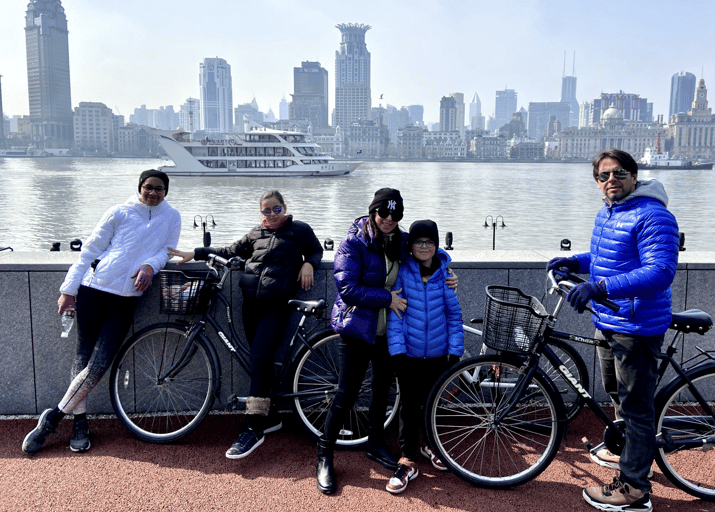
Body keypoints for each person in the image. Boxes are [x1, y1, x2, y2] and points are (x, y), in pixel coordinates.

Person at [547, 149, 678, 512]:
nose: (611, 181)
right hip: (610, 320)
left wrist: (600, 288)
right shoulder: (610, 213)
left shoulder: (653, 215)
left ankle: (635, 490)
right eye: (603, 176)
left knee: (636, 409)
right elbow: (607, 258)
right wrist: (575, 261)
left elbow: (660, 271)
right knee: (618, 395)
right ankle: (626, 450)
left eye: (619, 173)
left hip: (635, 325)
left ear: (635, 177)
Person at [22, 169, 182, 455]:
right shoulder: (119, 211)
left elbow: (166, 252)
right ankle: (79, 423)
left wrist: (149, 266)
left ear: (166, 191)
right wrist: (68, 290)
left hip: (127, 297)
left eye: (159, 188)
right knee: (83, 357)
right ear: (139, 187)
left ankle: (53, 419)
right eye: (148, 187)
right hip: (94, 291)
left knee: (99, 364)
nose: (153, 193)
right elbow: (89, 251)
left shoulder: (172, 217)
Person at [316, 188, 457, 495]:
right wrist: (387, 299)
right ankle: (324, 454)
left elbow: (428, 252)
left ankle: (375, 442)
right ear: (373, 212)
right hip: (357, 328)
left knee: (382, 390)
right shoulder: (353, 243)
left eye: (396, 214)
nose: (390, 219)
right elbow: (347, 289)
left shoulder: (401, 241)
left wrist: (448, 271)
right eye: (384, 213)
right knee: (347, 393)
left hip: (386, 334)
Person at [169, 190, 323, 460]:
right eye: (267, 210)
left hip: (276, 305)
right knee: (257, 361)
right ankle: (271, 416)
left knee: (261, 358)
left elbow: (315, 249)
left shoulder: (299, 229)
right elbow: (229, 250)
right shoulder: (255, 234)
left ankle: (253, 428)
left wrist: (309, 263)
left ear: (285, 208)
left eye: (277, 209)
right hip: (250, 305)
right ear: (260, 212)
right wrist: (196, 252)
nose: (272, 215)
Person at [385, 220, 464, 494]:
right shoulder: (403, 274)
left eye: (429, 242)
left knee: (433, 405)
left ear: (436, 245)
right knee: (408, 407)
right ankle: (407, 459)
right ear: (411, 245)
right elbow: (396, 317)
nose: (424, 246)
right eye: (418, 241)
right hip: (409, 354)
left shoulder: (446, 276)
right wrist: (397, 352)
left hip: (439, 355)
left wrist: (455, 353)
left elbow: (454, 317)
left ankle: (430, 444)